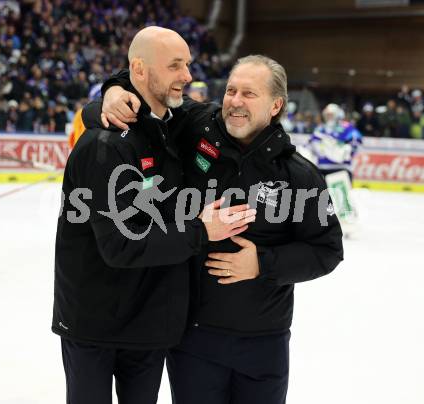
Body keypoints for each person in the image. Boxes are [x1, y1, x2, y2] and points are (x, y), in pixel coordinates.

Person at [84, 53, 344, 404]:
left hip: (263, 342)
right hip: (192, 341)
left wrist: (263, 263)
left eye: (249, 94)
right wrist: (114, 88)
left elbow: (327, 250)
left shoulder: (300, 175)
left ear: (276, 105)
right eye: (231, 90)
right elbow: (151, 82)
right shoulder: (196, 126)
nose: (235, 102)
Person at [52, 27, 255, 404]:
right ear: (141, 70)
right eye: (175, 66)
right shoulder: (104, 144)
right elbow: (120, 245)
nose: (188, 76)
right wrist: (200, 231)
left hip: (148, 326)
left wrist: (111, 89)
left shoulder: (173, 126)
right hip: (93, 324)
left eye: (188, 65)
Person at [309, 103, 362, 180]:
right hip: (322, 168)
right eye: (327, 115)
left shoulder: (347, 127)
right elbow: (312, 145)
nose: (329, 117)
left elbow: (356, 141)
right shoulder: (320, 129)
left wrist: (346, 151)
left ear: (337, 115)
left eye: (331, 114)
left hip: (342, 168)